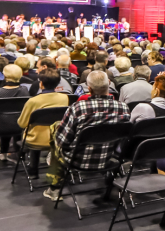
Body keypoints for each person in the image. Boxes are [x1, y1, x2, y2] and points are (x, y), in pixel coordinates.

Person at [42, 71, 130, 201]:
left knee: (56, 133)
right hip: (109, 158)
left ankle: (54, 188)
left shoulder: (78, 108)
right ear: (109, 84)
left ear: (89, 89)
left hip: (77, 160)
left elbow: (62, 141)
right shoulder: (123, 108)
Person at [15, 69, 70, 179]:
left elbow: (22, 123)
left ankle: (33, 172)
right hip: (57, 138)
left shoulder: (33, 101)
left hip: (35, 140)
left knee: (33, 132)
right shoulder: (65, 97)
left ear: (41, 83)